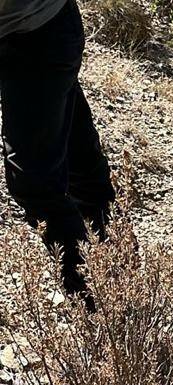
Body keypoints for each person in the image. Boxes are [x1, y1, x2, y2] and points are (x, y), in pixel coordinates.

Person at [0, 0, 114, 294]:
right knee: (80, 163)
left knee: (35, 183)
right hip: (38, 27)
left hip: (38, 33)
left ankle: (96, 304)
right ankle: (116, 275)